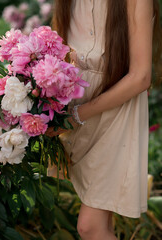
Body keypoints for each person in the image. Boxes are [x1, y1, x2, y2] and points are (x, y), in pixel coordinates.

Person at [46, 0, 162, 239]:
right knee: (99, 223)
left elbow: (141, 77)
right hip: (77, 104)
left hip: (115, 110)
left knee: (90, 227)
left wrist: (76, 116)